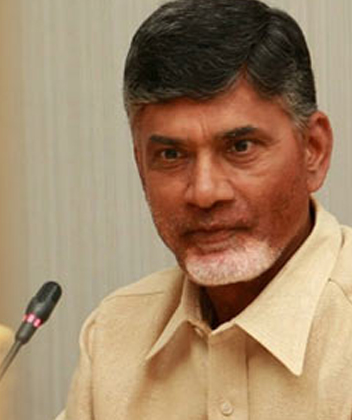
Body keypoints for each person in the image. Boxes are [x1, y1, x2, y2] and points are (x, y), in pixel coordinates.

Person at [59, 0, 352, 418]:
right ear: (140, 167)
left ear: (314, 150)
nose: (204, 192)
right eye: (171, 155)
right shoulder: (113, 336)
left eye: (240, 147)